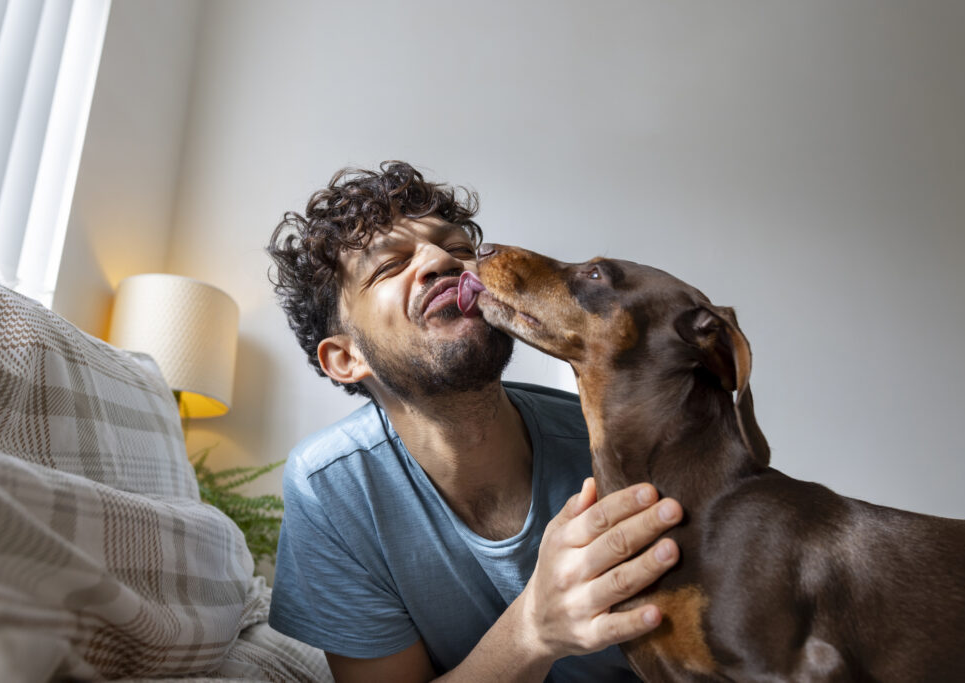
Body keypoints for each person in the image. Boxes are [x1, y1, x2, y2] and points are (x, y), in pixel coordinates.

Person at [266, 161, 683, 682]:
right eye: (390, 266)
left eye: (459, 248)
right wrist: (534, 631)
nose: (443, 260)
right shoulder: (332, 489)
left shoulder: (618, 442)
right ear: (346, 358)